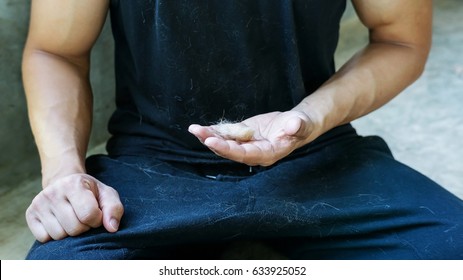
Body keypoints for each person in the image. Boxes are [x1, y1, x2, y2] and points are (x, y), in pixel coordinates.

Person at [22, 0, 463, 259]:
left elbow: (399, 38)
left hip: (317, 156)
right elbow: (55, 50)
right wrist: (63, 174)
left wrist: (308, 119)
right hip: (148, 171)